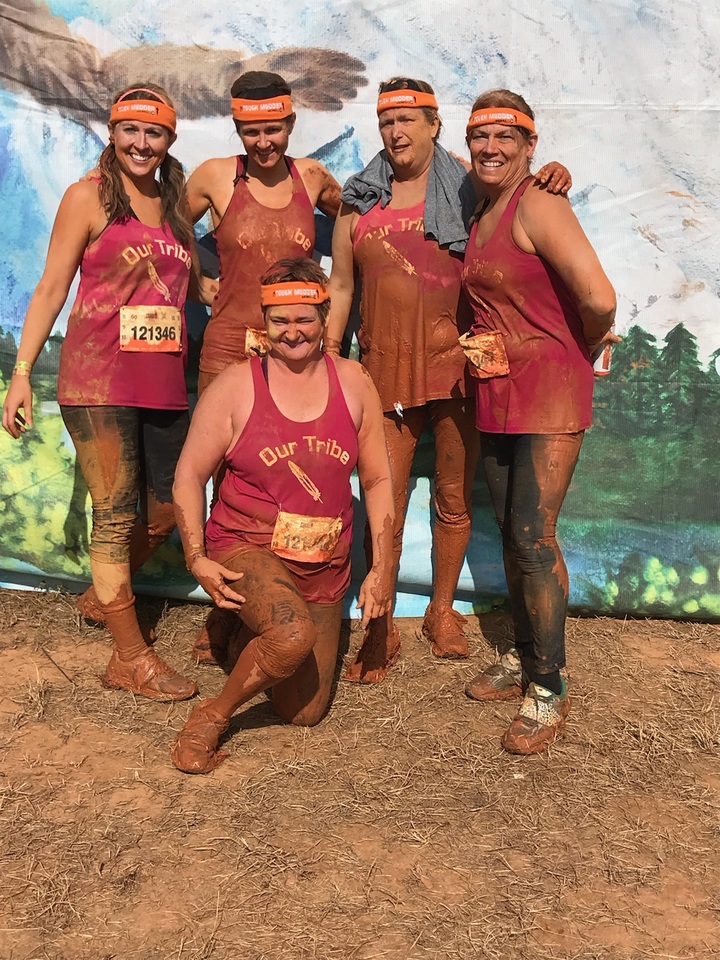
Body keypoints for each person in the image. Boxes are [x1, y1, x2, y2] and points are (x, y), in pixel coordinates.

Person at [325, 77, 571, 683]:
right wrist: (329, 358)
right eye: (387, 121)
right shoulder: (359, 200)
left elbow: (524, 205)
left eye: (410, 119)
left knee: (454, 499)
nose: (397, 131)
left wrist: (553, 173)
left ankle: (440, 611)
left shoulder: (470, 190)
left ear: (435, 124)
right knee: (381, 501)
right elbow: (341, 287)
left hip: (461, 370)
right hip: (381, 370)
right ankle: (379, 622)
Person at [1, 83, 210, 701]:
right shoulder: (87, 197)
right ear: (112, 133)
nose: (141, 144)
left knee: (170, 507)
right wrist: (20, 372)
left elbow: (194, 289)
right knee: (116, 516)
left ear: (170, 141)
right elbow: (48, 289)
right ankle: (129, 657)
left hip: (163, 382)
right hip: (98, 379)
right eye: (131, 131)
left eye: (155, 133)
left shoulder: (173, 208)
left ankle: (104, 596)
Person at [171, 257, 394, 774]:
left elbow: (379, 480)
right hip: (246, 545)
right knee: (291, 638)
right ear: (264, 321)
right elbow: (187, 478)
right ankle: (211, 717)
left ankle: (240, 629)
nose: (292, 331)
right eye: (280, 320)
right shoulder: (234, 386)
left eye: (305, 318)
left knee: (304, 713)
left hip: (323, 561)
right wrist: (197, 557)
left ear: (324, 315)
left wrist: (382, 568)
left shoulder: (355, 382)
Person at [460, 90, 617, 754]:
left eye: (505, 136)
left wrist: (578, 349)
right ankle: (523, 659)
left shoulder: (538, 202)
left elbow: (599, 296)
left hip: (548, 393)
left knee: (534, 536)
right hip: (497, 391)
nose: (490, 148)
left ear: (529, 143)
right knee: (509, 534)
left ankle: (548, 692)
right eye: (480, 137)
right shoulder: (485, 209)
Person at [184, 70, 344, 664]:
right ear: (237, 129)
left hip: (295, 355)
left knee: (283, 481)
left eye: (273, 129)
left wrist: (447, 171)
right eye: (250, 131)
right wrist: (201, 283)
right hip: (227, 349)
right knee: (225, 487)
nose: (263, 142)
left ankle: (269, 609)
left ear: (291, 124)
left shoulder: (314, 179)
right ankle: (224, 613)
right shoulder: (213, 177)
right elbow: (163, 229)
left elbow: (364, 210)